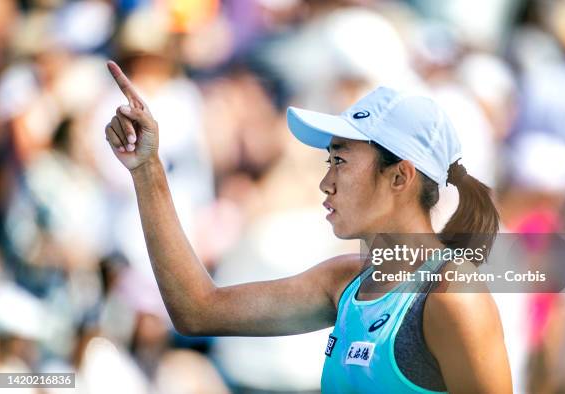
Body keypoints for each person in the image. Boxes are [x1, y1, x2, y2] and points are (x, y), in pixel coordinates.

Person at [103, 60, 512, 393]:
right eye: (328, 162)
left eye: (341, 161)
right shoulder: (344, 282)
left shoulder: (452, 296)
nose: (325, 183)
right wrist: (146, 169)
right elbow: (196, 311)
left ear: (400, 177)